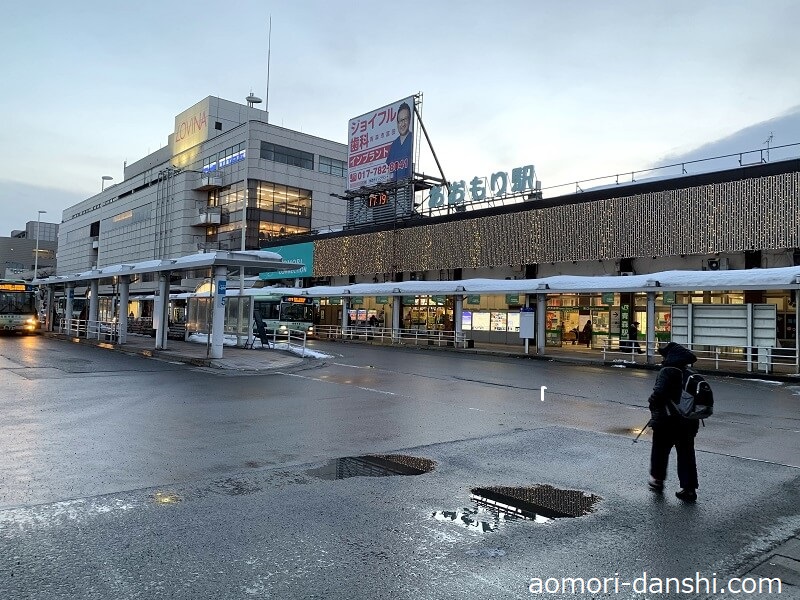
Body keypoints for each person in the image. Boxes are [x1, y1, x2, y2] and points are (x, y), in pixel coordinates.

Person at [646, 342, 700, 502]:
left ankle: (657, 480)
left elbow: (658, 394)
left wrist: (652, 403)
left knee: (660, 451)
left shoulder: (667, 371)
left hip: (667, 421)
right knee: (686, 454)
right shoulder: (689, 372)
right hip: (688, 421)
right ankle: (689, 489)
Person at [386, 102, 412, 181]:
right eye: (400, 120)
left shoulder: (412, 139)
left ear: (410, 120)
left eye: (405, 119)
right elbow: (389, 170)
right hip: (394, 188)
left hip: (407, 186)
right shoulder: (394, 144)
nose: (402, 124)